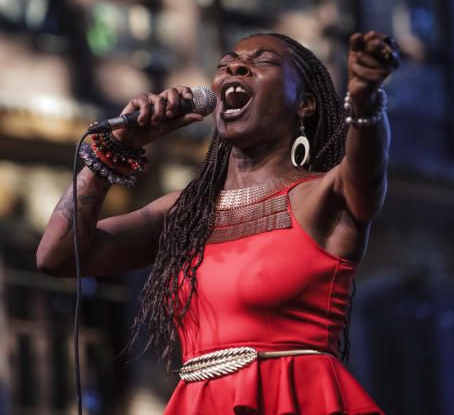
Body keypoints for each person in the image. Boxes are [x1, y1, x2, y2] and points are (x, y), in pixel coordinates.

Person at [37, 29, 400, 414]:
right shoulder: (183, 214)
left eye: (262, 62)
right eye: (226, 64)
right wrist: (116, 148)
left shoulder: (324, 198)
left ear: (306, 103)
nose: (236, 67)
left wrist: (364, 98)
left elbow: (367, 167)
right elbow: (57, 255)